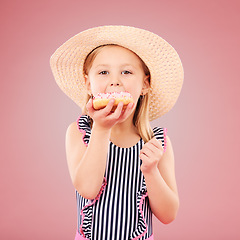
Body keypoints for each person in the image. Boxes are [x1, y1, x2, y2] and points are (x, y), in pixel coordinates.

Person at [50, 25, 184, 240]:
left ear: (145, 84)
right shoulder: (79, 132)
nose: (115, 81)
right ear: (88, 83)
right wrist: (102, 129)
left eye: (126, 72)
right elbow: (87, 189)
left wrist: (151, 171)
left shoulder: (157, 142)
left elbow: (168, 215)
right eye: (103, 72)